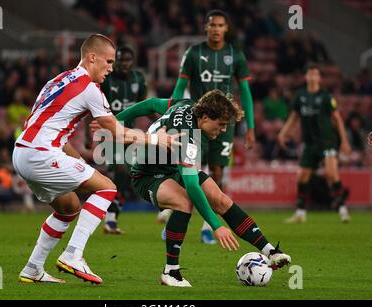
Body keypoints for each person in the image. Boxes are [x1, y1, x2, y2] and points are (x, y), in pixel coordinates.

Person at [13, 34, 181, 284]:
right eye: (109, 61)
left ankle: (33, 268)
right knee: (107, 188)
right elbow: (116, 133)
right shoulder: (90, 89)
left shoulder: (57, 81)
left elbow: (55, 132)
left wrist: (80, 161)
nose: (111, 68)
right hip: (41, 154)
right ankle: (72, 255)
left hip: (23, 153)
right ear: (92, 57)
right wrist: (158, 140)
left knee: (68, 208)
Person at [113, 89, 291, 287]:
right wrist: (217, 226)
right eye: (221, 124)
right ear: (205, 117)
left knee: (221, 199)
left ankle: (270, 252)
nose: (223, 130)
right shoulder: (188, 136)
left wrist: (114, 120)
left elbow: (153, 104)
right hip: (147, 176)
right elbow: (192, 187)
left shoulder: (186, 104)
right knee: (184, 202)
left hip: (172, 169)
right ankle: (170, 272)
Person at [169, 9, 255, 244]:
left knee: (217, 172)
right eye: (212, 25)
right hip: (198, 121)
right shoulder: (194, 53)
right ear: (206, 27)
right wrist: (172, 111)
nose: (216, 29)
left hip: (223, 124)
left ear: (226, 29)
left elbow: (245, 91)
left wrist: (250, 127)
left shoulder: (235, 55)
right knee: (190, 172)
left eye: (220, 25)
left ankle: (208, 225)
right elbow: (180, 86)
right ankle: (176, 213)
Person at [278, 63, 352, 223]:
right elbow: (294, 116)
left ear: (319, 77)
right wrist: (283, 133)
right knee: (302, 177)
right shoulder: (300, 95)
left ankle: (343, 208)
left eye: (315, 74)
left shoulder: (326, 96)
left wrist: (344, 141)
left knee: (332, 174)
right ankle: (300, 212)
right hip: (310, 143)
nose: (312, 77)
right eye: (310, 74)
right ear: (306, 77)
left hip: (327, 141)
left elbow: (337, 119)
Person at [98, 45, 147, 235]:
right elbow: (92, 108)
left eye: (128, 60)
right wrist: (89, 136)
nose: (124, 64)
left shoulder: (138, 79)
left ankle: (111, 216)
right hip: (108, 132)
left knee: (126, 177)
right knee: (121, 170)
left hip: (128, 133)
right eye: (121, 60)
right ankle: (108, 214)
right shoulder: (107, 79)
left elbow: (144, 106)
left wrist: (161, 122)